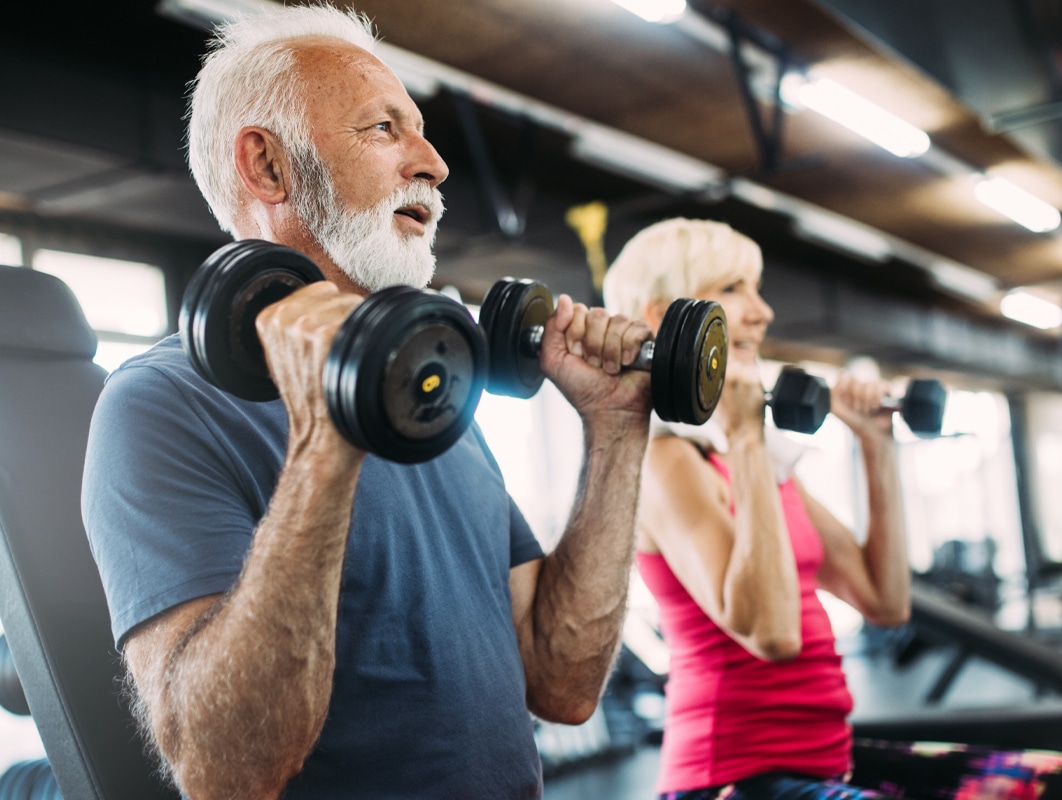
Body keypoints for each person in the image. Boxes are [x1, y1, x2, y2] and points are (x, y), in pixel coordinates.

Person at [81, 5, 656, 799]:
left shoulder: (435, 394)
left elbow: (561, 682)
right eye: (383, 129)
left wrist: (616, 427)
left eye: (418, 130)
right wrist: (327, 438)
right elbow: (225, 771)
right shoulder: (159, 405)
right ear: (269, 167)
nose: (433, 163)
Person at [603, 218, 1062, 800]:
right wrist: (749, 437)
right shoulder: (666, 461)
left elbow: (884, 601)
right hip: (733, 779)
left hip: (829, 759)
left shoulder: (752, 463)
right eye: (734, 290)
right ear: (663, 316)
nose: (762, 311)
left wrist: (875, 444)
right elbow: (771, 633)